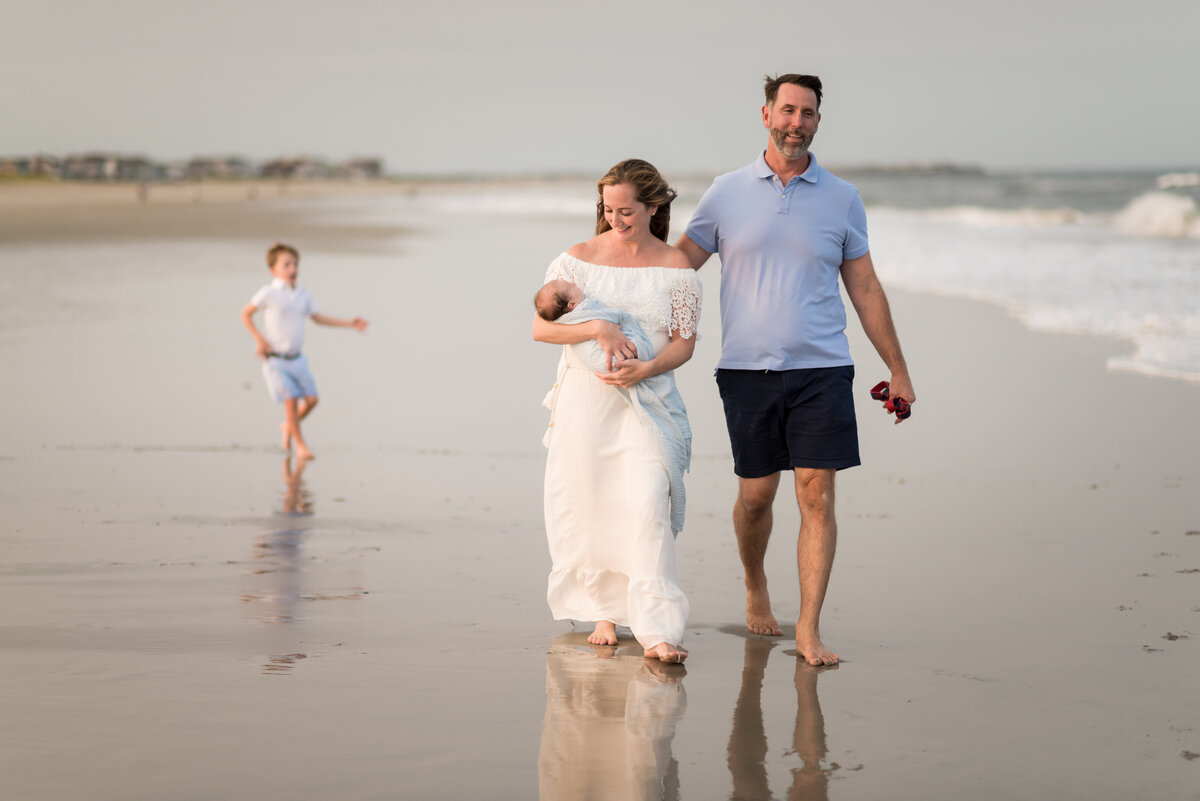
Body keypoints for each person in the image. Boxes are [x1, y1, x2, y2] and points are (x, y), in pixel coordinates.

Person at [675, 74, 916, 666]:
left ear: (816, 121)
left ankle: (808, 626)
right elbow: (679, 267)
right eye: (787, 110)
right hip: (746, 371)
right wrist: (612, 286)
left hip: (823, 369)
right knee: (756, 498)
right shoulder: (726, 192)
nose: (796, 123)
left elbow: (864, 285)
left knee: (818, 496)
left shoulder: (842, 196)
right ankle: (757, 586)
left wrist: (898, 368)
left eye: (807, 113)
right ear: (765, 113)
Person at [533, 158, 702, 664]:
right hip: (587, 405)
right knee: (592, 502)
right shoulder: (575, 260)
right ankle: (604, 612)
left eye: (627, 211)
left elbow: (684, 345)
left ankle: (659, 629)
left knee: (648, 503)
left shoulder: (676, 268)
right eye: (608, 210)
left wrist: (644, 369)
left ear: (654, 206)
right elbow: (541, 328)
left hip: (646, 404)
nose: (616, 220)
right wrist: (598, 330)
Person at [240, 242, 369, 461]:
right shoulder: (268, 293)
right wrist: (260, 340)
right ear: (273, 270)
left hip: (297, 359)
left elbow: (317, 318)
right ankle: (300, 446)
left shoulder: (302, 294)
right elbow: (245, 314)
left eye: (295, 264)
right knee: (290, 401)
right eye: (286, 264)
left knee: (312, 400)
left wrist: (349, 323)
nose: (293, 269)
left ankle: (288, 427)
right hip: (275, 360)